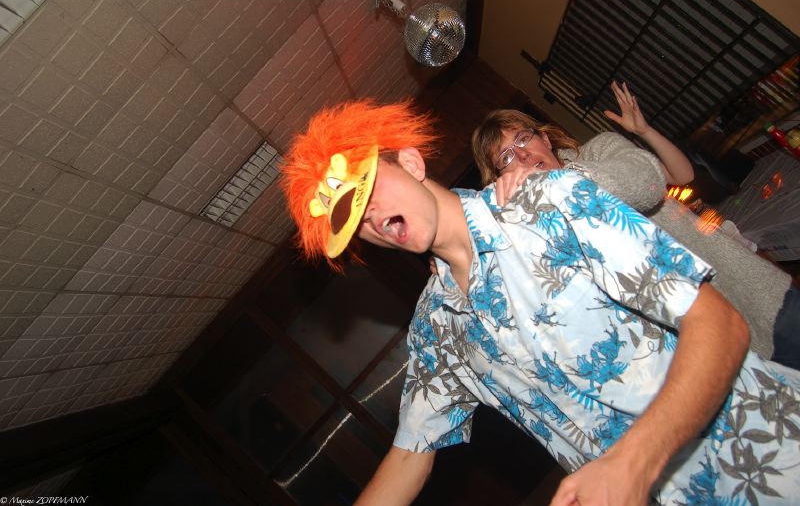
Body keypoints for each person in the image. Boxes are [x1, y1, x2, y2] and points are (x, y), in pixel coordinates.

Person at [281, 100, 800, 505]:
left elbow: (720, 324)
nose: (371, 217)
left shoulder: (551, 200)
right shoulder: (436, 329)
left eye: (368, 188)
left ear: (412, 163)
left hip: (772, 451)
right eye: (354, 220)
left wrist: (633, 464)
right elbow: (408, 456)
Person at [472, 81, 799, 370]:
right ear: (502, 179)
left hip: (749, 291)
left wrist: (639, 134)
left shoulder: (598, 151)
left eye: (523, 139)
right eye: (506, 158)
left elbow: (652, 181)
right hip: (715, 346)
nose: (523, 156)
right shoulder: (542, 235)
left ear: (544, 138)